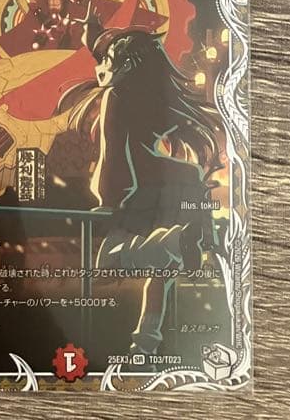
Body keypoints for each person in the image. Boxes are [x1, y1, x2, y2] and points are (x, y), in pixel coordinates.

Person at [65, 27, 222, 357]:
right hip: (171, 183)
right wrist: (94, 41)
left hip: (138, 190)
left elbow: (113, 153)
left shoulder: (117, 96)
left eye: (108, 60)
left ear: (128, 64)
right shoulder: (150, 95)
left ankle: (172, 243)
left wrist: (107, 201)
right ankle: (145, 346)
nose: (100, 67)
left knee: (107, 265)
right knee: (161, 273)